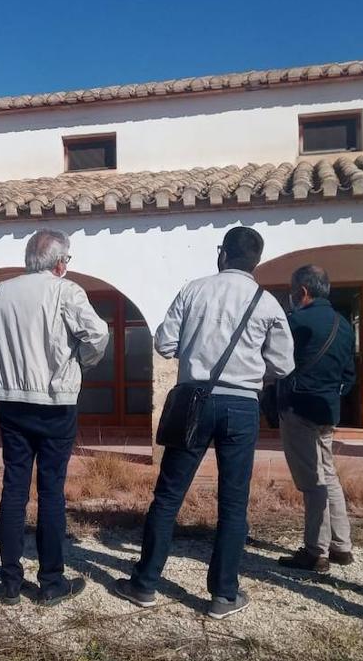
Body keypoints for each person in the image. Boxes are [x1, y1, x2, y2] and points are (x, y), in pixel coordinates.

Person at [113, 227, 294, 619]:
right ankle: (223, 595)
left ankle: (144, 584)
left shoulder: (193, 290)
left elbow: (164, 343)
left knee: (168, 496)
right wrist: (249, 372)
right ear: (256, 261)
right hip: (242, 405)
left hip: (194, 401)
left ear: (222, 254)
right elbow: (283, 364)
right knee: (233, 502)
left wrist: (195, 349)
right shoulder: (266, 302)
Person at [0, 229, 109, 607]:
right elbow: (98, 335)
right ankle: (51, 583)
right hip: (55, 402)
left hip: (10, 402)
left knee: (14, 489)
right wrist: (80, 366)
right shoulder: (66, 290)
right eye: (67, 261)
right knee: (51, 491)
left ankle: (9, 582)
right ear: (60, 262)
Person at [276, 264, 357, 573]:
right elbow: (349, 374)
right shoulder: (344, 324)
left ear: (303, 292)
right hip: (327, 409)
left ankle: (315, 551)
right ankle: (341, 546)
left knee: (312, 483)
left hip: (299, 408)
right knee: (328, 474)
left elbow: (276, 361)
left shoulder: (295, 322)